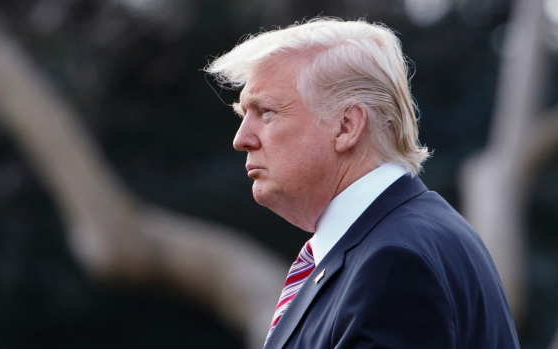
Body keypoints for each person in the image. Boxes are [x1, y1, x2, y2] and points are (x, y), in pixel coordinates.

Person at [205, 18, 519, 349]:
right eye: (244, 115)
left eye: (266, 112)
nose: (242, 139)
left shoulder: (395, 262)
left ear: (346, 126)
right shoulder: (399, 241)